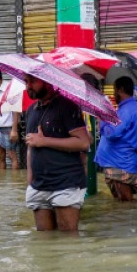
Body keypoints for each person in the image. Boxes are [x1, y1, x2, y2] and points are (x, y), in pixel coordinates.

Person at [23, 75, 92, 231]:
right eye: (26, 82)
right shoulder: (30, 111)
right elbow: (30, 145)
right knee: (45, 242)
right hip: (39, 185)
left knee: (68, 240)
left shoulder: (67, 106)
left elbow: (83, 142)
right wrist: (30, 181)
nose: (28, 86)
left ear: (47, 82)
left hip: (65, 183)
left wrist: (44, 141)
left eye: (33, 81)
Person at [95, 77, 137, 202]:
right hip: (120, 161)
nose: (113, 94)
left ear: (121, 90)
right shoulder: (128, 108)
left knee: (125, 203)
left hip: (120, 163)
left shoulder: (127, 110)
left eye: (114, 90)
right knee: (122, 204)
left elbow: (112, 132)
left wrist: (102, 120)